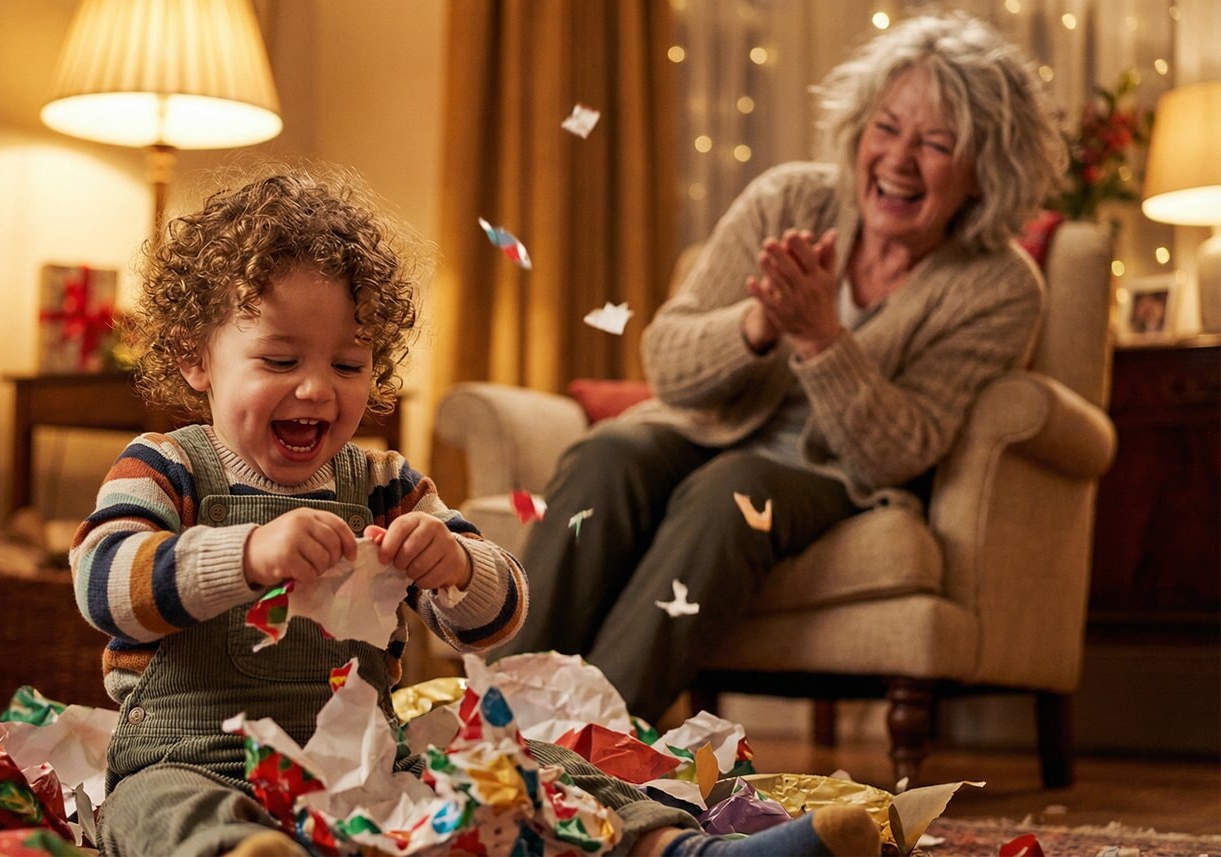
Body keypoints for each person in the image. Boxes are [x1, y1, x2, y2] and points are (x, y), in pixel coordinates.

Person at [71, 164, 881, 856]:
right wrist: (245, 554)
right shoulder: (169, 463)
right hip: (196, 753)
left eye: (349, 363)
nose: (317, 387)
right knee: (156, 806)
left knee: (533, 762)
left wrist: (457, 565)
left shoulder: (382, 480)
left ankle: (683, 846)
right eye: (280, 359)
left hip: (362, 766)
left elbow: (498, 617)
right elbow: (103, 583)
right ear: (194, 355)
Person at [505, 12, 1066, 724]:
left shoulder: (1000, 285)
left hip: (836, 477)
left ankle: (589, 746)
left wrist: (823, 341)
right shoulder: (788, 198)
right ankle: (495, 721)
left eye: (936, 144)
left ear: (986, 170)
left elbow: (904, 450)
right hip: (701, 429)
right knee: (607, 452)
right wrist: (759, 323)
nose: (899, 159)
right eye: (887, 128)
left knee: (735, 490)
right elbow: (668, 359)